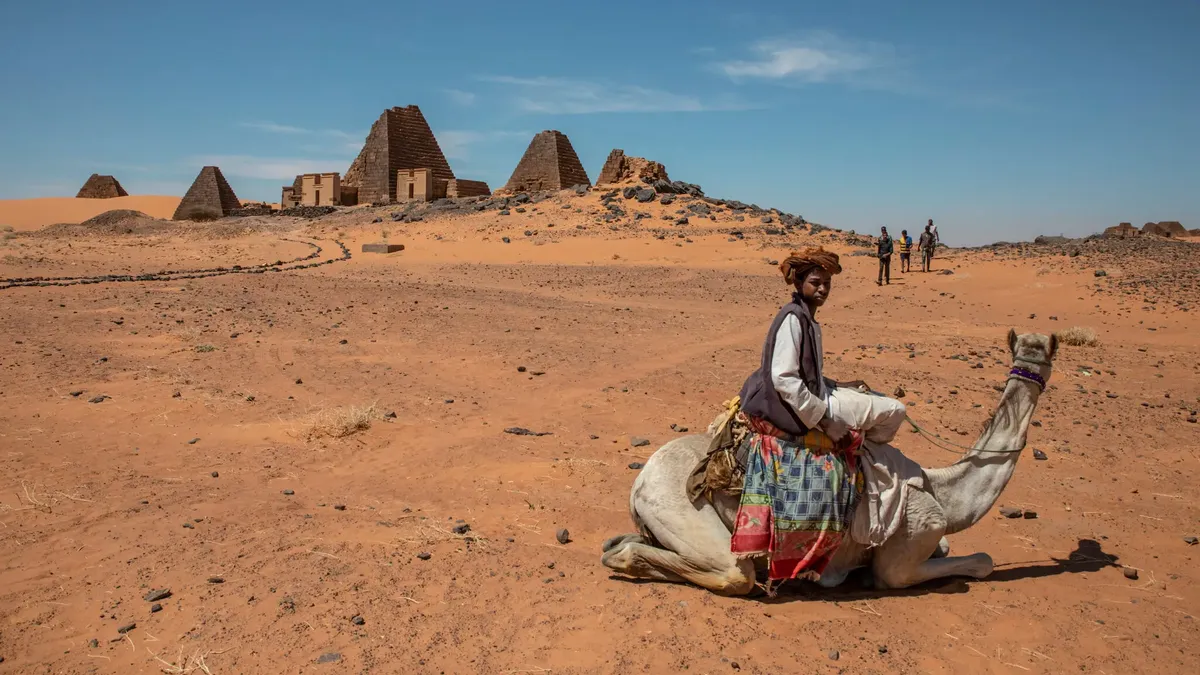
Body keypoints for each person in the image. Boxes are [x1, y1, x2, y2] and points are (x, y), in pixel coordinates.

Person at [738, 247, 908, 446]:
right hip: (798, 408)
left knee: (873, 396)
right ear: (799, 283)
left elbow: (805, 372)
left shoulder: (805, 317)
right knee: (896, 410)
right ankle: (864, 455)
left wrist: (836, 384)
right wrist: (826, 422)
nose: (823, 289)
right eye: (815, 283)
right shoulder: (793, 319)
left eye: (827, 283)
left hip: (818, 394)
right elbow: (784, 378)